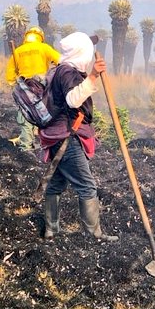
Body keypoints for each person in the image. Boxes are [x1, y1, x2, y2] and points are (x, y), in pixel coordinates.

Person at [39, 31, 118, 243]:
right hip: (67, 137)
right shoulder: (67, 72)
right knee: (87, 186)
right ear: (82, 53)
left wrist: (91, 76)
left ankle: (51, 230)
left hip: (57, 136)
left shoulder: (59, 70)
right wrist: (93, 76)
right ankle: (95, 235)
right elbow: (73, 99)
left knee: (56, 183)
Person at [5, 26, 61, 151]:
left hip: (24, 86)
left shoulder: (18, 51)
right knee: (45, 113)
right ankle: (47, 143)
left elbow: (10, 73)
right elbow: (60, 61)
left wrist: (14, 85)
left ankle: (26, 145)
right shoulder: (44, 47)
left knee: (26, 114)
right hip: (42, 86)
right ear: (40, 36)